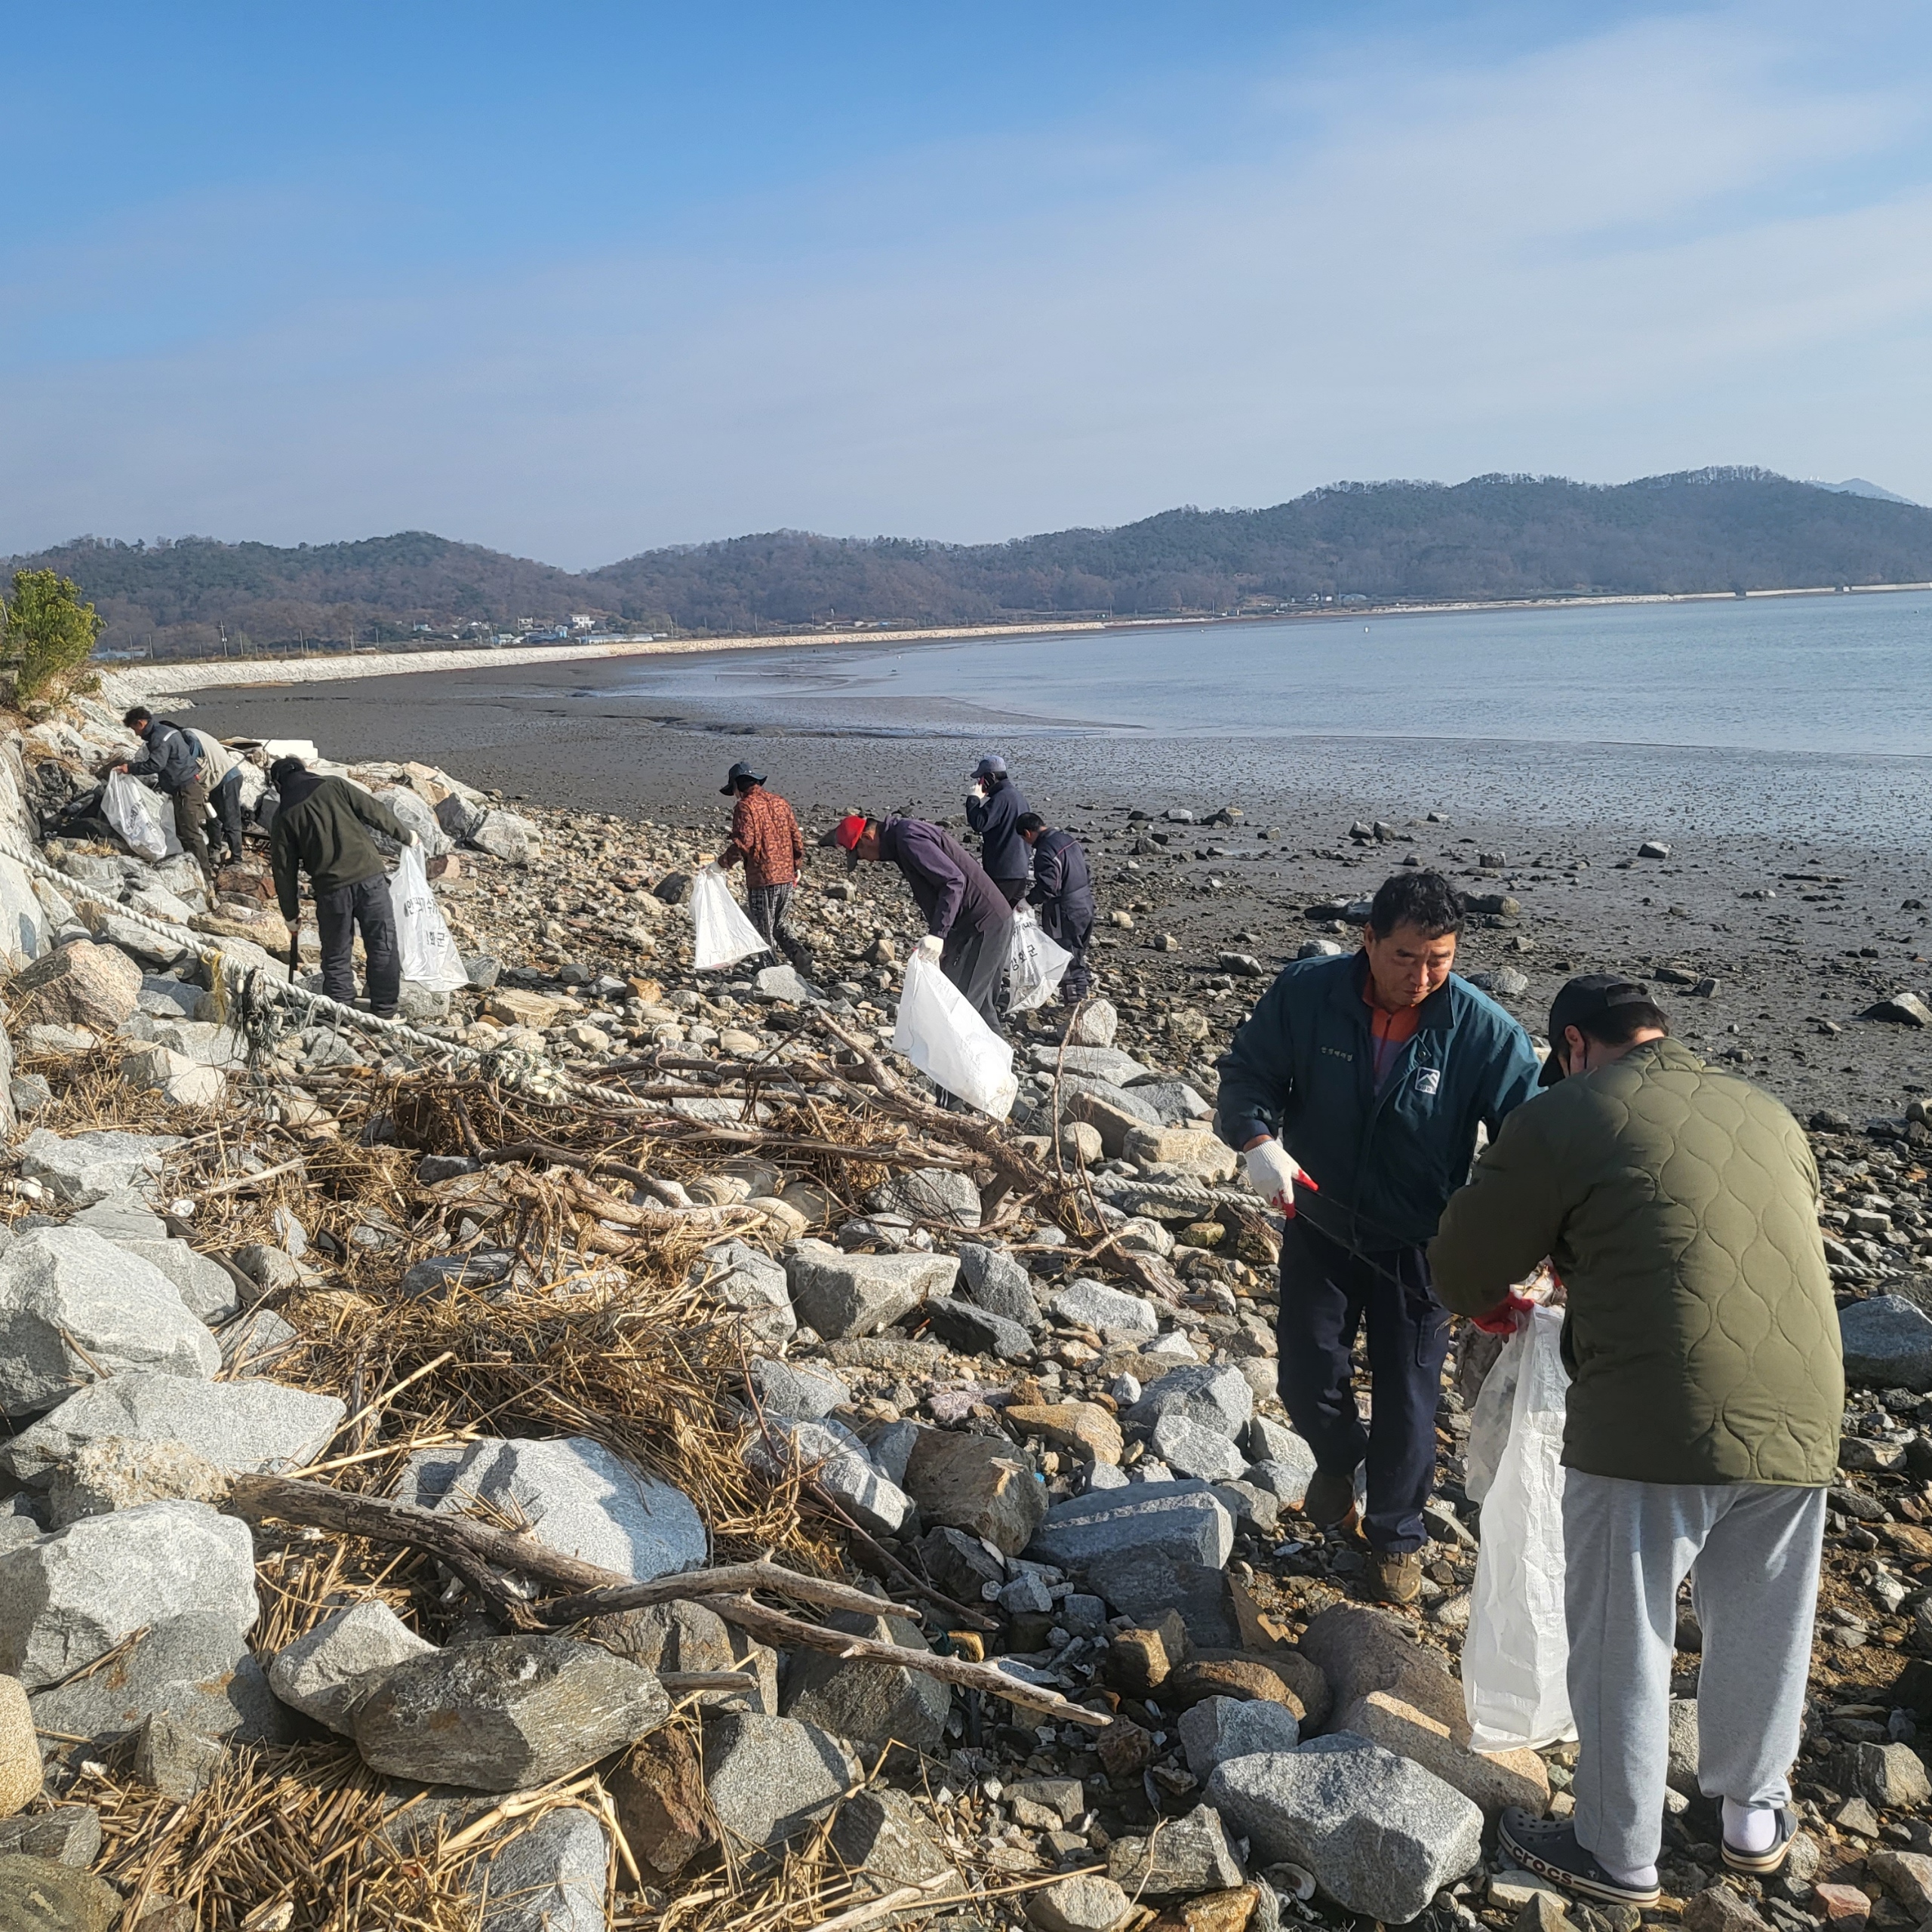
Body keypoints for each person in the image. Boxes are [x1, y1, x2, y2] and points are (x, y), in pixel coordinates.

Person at [1429, 976, 1841, 1909]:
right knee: (1765, 1619)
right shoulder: (1766, 1111)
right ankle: (1751, 1818)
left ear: (1572, 1045)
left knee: (1627, 1625)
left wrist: (1494, 1302)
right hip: (1804, 1405)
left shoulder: (1565, 1112)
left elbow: (1462, 1261)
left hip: (1655, 1409)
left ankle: (1615, 1852)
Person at [1213, 869, 1540, 1603]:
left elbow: (1533, 1137)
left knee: (1410, 1398)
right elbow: (1248, 1073)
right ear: (1367, 939)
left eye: (1439, 960)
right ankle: (1338, 1459)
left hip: (1421, 1243)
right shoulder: (1308, 994)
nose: (1421, 977)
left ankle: (1395, 1536)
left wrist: (1523, 1232)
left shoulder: (1483, 1031)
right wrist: (1257, 1138)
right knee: (1305, 1376)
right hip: (1319, 1220)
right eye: (1405, 957)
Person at [829, 811, 1012, 1034]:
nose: (866, 860)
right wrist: (944, 941)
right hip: (978, 923)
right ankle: (996, 1055)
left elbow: (953, 882)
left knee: (962, 1005)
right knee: (978, 1005)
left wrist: (938, 934)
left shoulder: (909, 838)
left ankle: (970, 1055)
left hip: (983, 924)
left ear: (867, 838)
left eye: (859, 854)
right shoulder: (901, 838)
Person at [268, 755, 414, 1018]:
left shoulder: (283, 816)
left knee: (336, 954)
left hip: (331, 891)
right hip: (370, 878)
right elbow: (374, 811)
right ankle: (385, 1011)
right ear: (304, 770)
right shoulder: (334, 785)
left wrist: (291, 915)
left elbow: (283, 871)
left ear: (279, 784)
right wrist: (406, 836)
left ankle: (340, 1012)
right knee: (382, 944)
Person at [714, 760, 812, 979]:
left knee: (763, 927)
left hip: (763, 877)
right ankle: (799, 954)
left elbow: (744, 842)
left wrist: (722, 863)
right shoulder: (780, 802)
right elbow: (796, 837)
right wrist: (796, 865)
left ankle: (769, 969)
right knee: (779, 923)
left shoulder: (745, 806)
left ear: (737, 786)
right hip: (786, 875)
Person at [115, 706, 213, 881]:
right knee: (183, 831)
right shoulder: (167, 730)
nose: (136, 734)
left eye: (134, 728)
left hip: (185, 790)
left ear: (140, 723)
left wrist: (130, 768)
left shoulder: (158, 738)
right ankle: (191, 868)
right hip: (188, 785)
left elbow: (156, 764)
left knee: (190, 833)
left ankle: (205, 876)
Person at [1017, 812, 1094, 1005]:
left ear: (1027, 833)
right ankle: (1083, 994)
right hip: (1085, 902)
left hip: (1065, 910)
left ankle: (1075, 1005)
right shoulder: (1069, 840)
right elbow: (1087, 871)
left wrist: (1028, 902)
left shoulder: (1045, 851)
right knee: (1078, 952)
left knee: (1065, 956)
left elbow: (1049, 887)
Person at [964, 755, 1032, 907]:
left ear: (991, 777)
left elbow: (980, 823)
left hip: (1003, 872)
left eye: (981, 778)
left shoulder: (1001, 798)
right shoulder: (1018, 797)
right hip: (1019, 869)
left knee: (992, 912)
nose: (979, 782)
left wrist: (973, 799)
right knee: (1013, 915)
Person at [189, 727, 247, 866]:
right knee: (212, 816)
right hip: (217, 779)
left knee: (230, 820)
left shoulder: (190, 737)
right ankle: (214, 852)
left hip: (226, 778)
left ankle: (237, 859)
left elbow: (189, 763)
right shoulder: (195, 734)